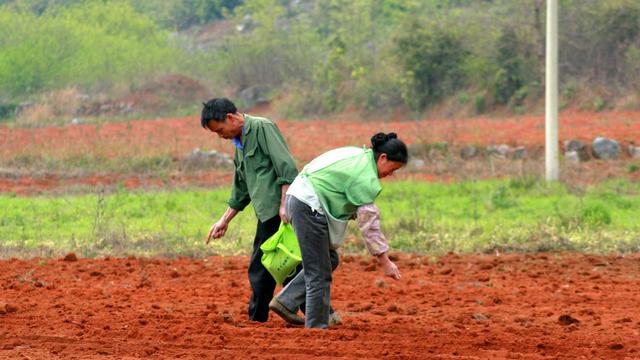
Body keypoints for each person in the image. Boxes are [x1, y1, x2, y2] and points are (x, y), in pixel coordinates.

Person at [269, 132, 408, 328]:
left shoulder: (358, 155)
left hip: (298, 198)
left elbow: (334, 184)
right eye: (392, 169)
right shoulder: (366, 177)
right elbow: (370, 226)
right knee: (318, 272)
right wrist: (385, 261)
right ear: (383, 158)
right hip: (308, 206)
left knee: (329, 259)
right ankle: (317, 327)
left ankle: (286, 301)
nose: (390, 175)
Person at [201, 97, 299, 323]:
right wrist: (224, 220)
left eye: (220, 130)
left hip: (278, 210)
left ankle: (258, 317)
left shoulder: (262, 127)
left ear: (230, 117)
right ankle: (317, 312)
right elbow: (241, 187)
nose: (221, 136)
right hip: (266, 211)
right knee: (285, 264)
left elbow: (285, 166)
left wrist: (284, 204)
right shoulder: (239, 142)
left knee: (263, 265)